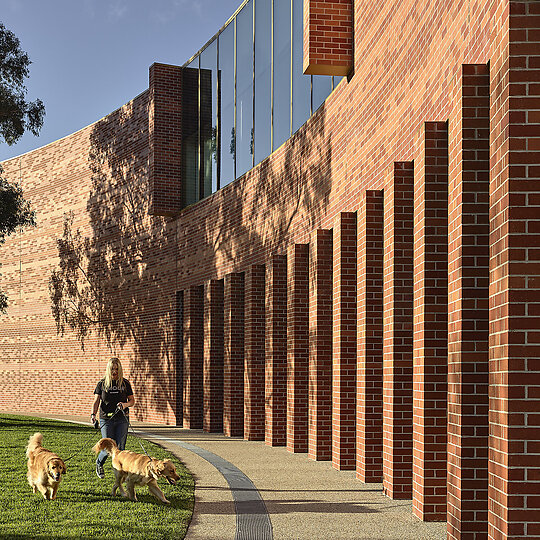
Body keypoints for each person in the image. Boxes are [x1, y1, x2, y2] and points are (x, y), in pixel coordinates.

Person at [91, 357, 135, 479]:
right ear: (108, 369)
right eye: (112, 369)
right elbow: (96, 401)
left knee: (120, 448)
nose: (114, 372)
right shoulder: (102, 383)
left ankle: (121, 473)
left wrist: (124, 404)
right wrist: (93, 415)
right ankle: (99, 463)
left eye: (117, 369)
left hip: (122, 419)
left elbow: (132, 401)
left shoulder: (125, 383)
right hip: (106, 419)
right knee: (107, 447)